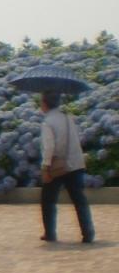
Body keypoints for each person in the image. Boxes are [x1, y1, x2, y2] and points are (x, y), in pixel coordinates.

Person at [39, 91, 94, 243]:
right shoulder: (68, 118)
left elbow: (49, 147)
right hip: (75, 164)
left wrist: (45, 168)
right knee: (79, 200)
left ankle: (50, 233)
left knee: (48, 201)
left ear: (45, 104)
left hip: (57, 167)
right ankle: (88, 233)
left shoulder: (48, 122)